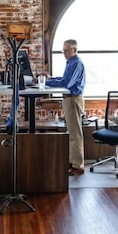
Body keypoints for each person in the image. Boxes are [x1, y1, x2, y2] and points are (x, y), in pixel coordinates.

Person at [40, 39, 86, 175]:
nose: (64, 53)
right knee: (72, 133)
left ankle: (78, 166)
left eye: (67, 50)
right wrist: (50, 79)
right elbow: (63, 80)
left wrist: (48, 82)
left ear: (74, 50)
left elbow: (66, 84)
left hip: (73, 100)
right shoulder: (71, 63)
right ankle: (73, 162)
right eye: (63, 50)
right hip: (69, 100)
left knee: (75, 134)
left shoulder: (76, 63)